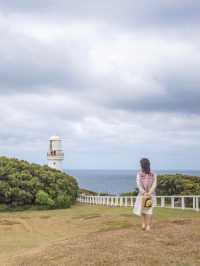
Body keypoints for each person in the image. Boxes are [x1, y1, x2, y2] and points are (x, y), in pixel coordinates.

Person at [133, 158, 157, 231]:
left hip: (149, 195)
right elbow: (139, 184)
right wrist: (145, 192)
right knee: (142, 209)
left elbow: (154, 184)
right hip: (144, 195)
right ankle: (144, 224)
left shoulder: (153, 174)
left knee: (149, 210)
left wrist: (148, 193)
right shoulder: (139, 174)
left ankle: (147, 225)